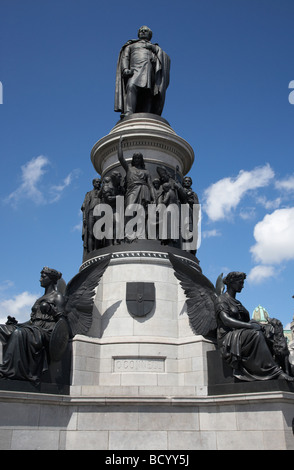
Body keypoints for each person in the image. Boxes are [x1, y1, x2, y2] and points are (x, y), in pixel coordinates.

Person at [214, 271, 294, 382]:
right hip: (228, 337)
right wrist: (250, 326)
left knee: (269, 331)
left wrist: (259, 325)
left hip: (240, 333)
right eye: (240, 282)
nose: (242, 285)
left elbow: (248, 321)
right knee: (255, 334)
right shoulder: (221, 299)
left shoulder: (238, 302)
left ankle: (286, 368)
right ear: (231, 283)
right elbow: (226, 320)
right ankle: (273, 371)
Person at [0, 267, 65, 384]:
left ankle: (11, 372)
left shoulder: (58, 297)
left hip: (46, 332)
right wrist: (16, 324)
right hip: (33, 328)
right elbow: (31, 321)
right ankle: (4, 364)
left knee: (19, 333)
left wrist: (51, 310)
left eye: (43, 277)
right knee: (3, 329)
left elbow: (63, 322)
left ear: (51, 279)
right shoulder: (39, 299)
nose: (40, 279)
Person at [114, 26, 170, 117]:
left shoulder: (154, 48)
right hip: (134, 71)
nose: (143, 32)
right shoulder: (131, 45)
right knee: (131, 86)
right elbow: (125, 57)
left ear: (150, 35)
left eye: (146, 31)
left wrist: (154, 49)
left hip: (149, 73)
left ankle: (147, 114)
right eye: (141, 31)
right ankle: (129, 111)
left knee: (149, 93)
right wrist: (125, 69)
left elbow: (165, 59)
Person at [81, 178, 101, 254]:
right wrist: (84, 218)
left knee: (98, 232)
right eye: (96, 182)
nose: (98, 184)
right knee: (90, 233)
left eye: (99, 182)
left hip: (100, 213)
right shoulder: (89, 194)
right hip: (91, 213)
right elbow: (84, 206)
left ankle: (96, 249)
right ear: (93, 184)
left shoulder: (102, 192)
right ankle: (90, 250)